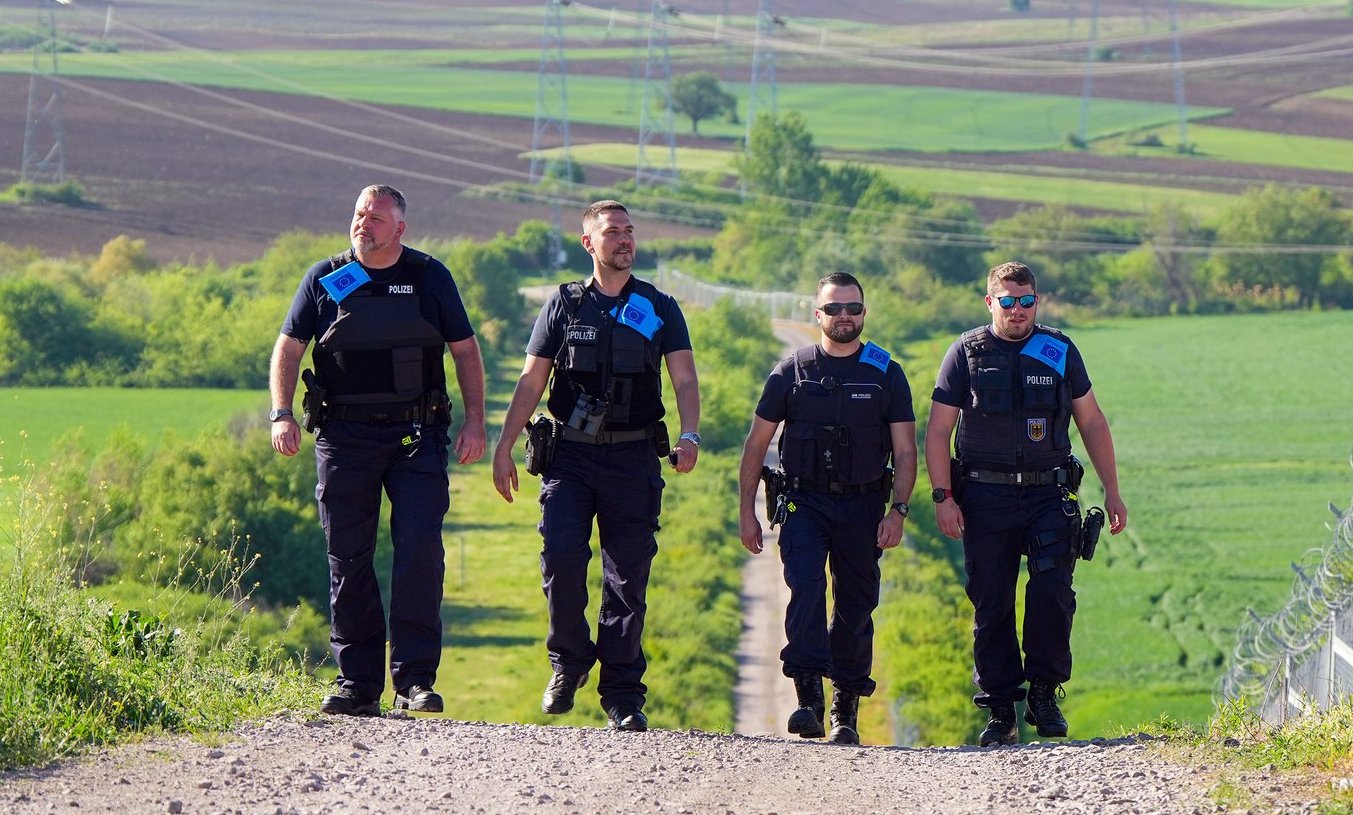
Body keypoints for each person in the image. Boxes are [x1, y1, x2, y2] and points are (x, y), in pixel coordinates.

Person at [269, 184, 487, 717]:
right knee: (349, 558)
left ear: (400, 229)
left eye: (375, 218)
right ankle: (357, 684)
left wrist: (477, 422)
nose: (363, 224)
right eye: (359, 215)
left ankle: (415, 681)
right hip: (344, 439)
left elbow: (465, 350)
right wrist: (281, 412)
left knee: (418, 553)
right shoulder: (324, 278)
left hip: (417, 437)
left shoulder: (430, 276)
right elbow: (289, 346)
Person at [492, 200, 699, 733]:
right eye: (613, 233)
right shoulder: (564, 306)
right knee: (560, 560)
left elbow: (684, 380)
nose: (625, 240)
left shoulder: (659, 307)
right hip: (571, 456)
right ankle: (569, 662)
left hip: (633, 456)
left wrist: (690, 433)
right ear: (589, 243)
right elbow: (532, 382)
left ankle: (623, 695)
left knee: (627, 579)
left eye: (629, 231)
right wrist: (504, 445)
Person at [925, 261, 1127, 746]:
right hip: (984, 497)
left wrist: (1113, 491)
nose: (1018, 310)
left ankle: (1043, 692)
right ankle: (1000, 709)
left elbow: (1092, 422)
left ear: (1038, 301)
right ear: (990, 302)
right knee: (991, 602)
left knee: (1052, 593)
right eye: (1008, 301)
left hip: (1047, 493)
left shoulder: (1058, 350)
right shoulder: (966, 353)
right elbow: (937, 431)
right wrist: (942, 497)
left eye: (1027, 300)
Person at [738, 273, 917, 745]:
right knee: (807, 592)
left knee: (857, 604)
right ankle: (808, 700)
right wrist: (746, 511)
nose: (844, 317)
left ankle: (846, 707)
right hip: (804, 502)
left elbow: (905, 451)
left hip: (863, 505)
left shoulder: (886, 373)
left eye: (853, 309)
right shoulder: (791, 371)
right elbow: (756, 445)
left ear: (864, 313)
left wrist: (897, 510)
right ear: (816, 314)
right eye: (834, 308)